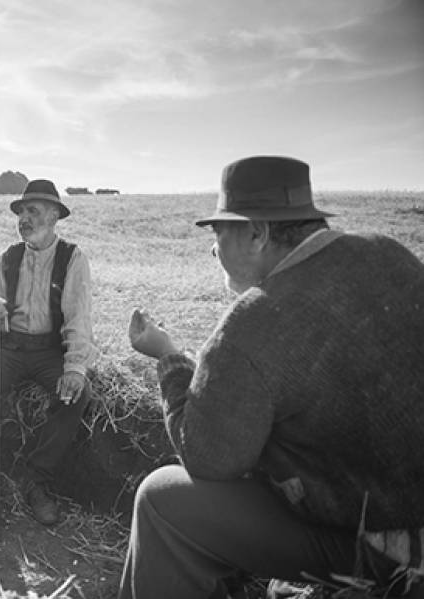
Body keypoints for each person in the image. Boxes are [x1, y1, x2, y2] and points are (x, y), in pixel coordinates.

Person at [119, 156, 424, 598]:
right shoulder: (390, 253)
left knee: (161, 500)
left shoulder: (255, 319)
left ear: (257, 233)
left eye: (219, 232)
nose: (213, 250)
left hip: (390, 553)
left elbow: (207, 456)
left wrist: (168, 358)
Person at [0, 179, 99, 525]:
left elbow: (79, 316)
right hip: (11, 349)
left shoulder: (72, 258)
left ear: (54, 216)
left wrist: (75, 368)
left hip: (49, 352)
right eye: (21, 213)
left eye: (33, 211)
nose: (24, 219)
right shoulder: (9, 258)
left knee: (78, 394)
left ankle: (36, 481)